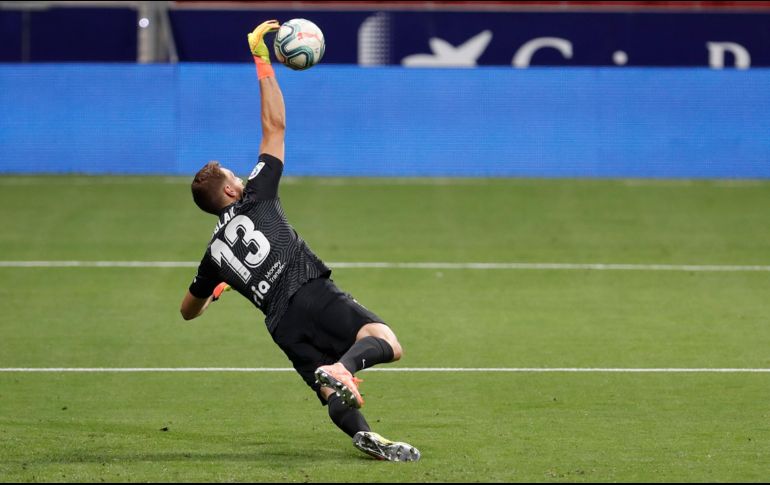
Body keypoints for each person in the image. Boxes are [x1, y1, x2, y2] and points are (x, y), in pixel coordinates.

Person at [179, 20, 420, 462]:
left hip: (281, 326)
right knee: (385, 339)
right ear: (230, 190)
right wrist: (262, 60)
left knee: (328, 391)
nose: (240, 176)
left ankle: (366, 436)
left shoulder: (213, 256)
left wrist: (215, 290)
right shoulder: (256, 196)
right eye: (234, 175)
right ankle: (344, 368)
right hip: (309, 290)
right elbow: (275, 126)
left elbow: (187, 311)